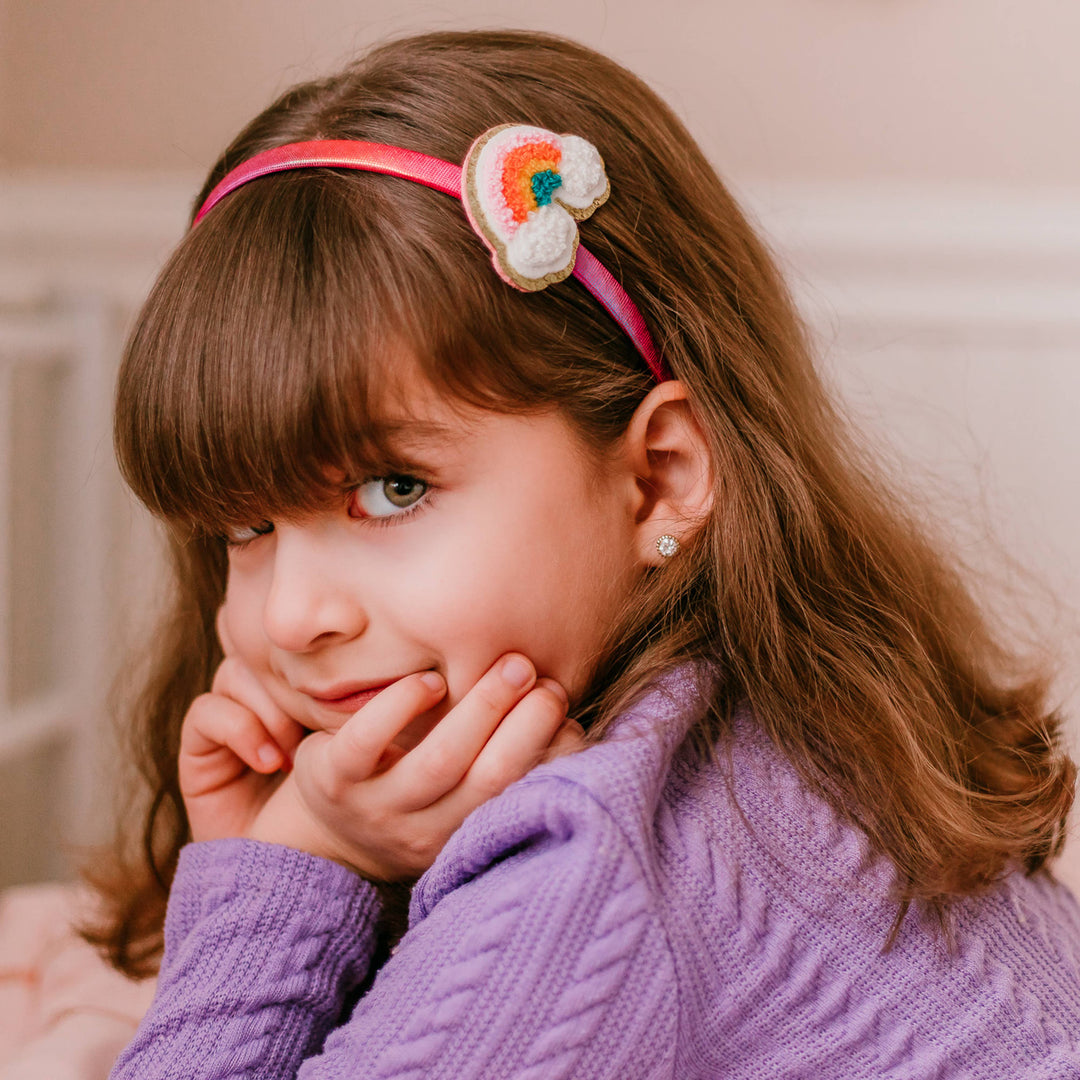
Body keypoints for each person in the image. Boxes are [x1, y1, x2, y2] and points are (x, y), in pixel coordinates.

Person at [96, 28, 1080, 1079]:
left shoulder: (582, 854)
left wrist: (284, 877)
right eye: (246, 528)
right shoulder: (760, 738)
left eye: (394, 490)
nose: (292, 618)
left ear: (659, 476)